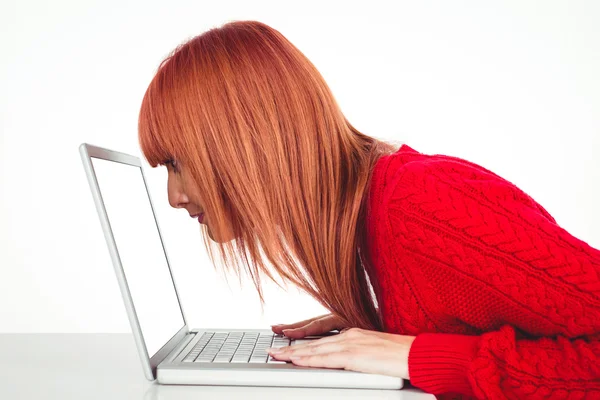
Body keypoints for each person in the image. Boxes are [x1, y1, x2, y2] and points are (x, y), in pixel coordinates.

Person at [137, 20, 600, 399]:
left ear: (245, 141)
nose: (174, 196)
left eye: (177, 163)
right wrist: (382, 325)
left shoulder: (417, 205)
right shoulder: (371, 215)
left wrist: (419, 356)